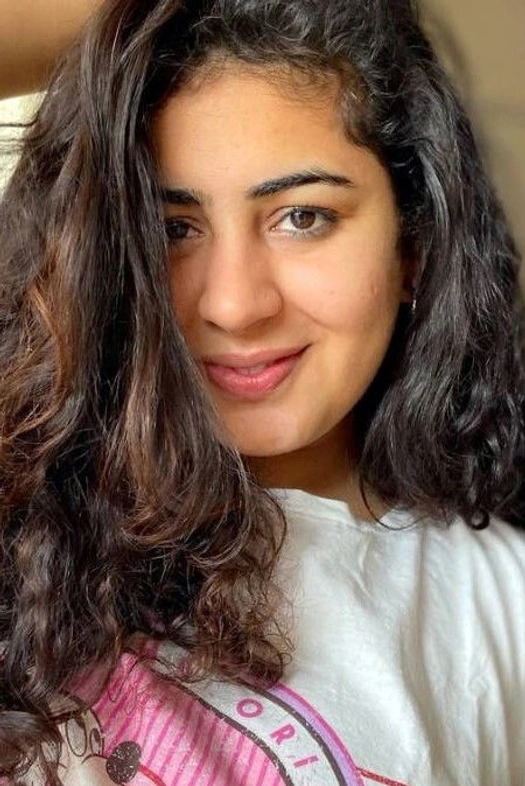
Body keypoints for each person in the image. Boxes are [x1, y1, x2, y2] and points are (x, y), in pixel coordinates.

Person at [1, 0, 524, 784]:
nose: (233, 305)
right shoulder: (24, 511)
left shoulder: (502, 603)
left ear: (413, 242)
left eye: (302, 217)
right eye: (172, 229)